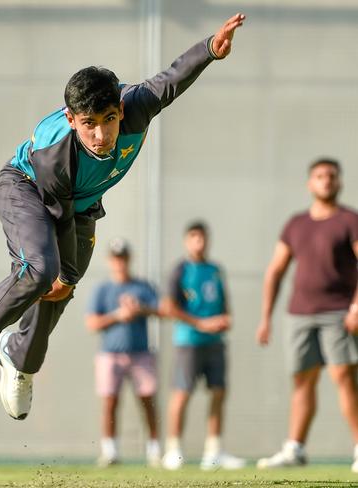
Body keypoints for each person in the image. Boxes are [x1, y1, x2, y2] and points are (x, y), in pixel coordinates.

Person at [0, 14, 246, 424]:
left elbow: (172, 78)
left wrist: (211, 49)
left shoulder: (137, 107)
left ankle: (18, 356)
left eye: (108, 120)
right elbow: (51, 217)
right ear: (72, 119)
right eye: (88, 124)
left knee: (61, 288)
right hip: (27, 188)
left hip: (80, 204)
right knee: (40, 272)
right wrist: (54, 270)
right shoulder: (55, 153)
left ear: (120, 109)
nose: (100, 135)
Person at [255, 158, 358, 472]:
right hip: (299, 314)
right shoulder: (296, 224)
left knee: (344, 378)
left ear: (339, 182)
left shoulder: (350, 220)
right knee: (302, 380)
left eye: (331, 176)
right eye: (319, 176)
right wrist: (266, 318)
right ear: (309, 183)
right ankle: (295, 449)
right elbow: (275, 271)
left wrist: (356, 306)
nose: (326, 181)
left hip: (339, 313)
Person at [161, 221, 245, 471]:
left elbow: (224, 302)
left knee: (218, 392)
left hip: (216, 344)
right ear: (187, 241)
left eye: (203, 237)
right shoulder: (180, 270)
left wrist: (225, 319)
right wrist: (201, 324)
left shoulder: (216, 269)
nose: (200, 242)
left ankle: (214, 451)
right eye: (194, 237)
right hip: (189, 342)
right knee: (182, 393)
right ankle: (173, 450)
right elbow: (169, 307)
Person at [85, 238, 162, 467]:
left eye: (123, 258)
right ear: (110, 261)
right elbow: (92, 323)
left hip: (140, 354)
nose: (120, 263)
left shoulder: (143, 287)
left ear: (129, 260)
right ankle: (110, 451)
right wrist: (118, 315)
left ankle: (154, 450)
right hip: (110, 355)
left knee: (148, 401)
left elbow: (161, 310)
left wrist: (140, 309)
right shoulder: (103, 289)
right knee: (110, 402)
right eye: (116, 258)